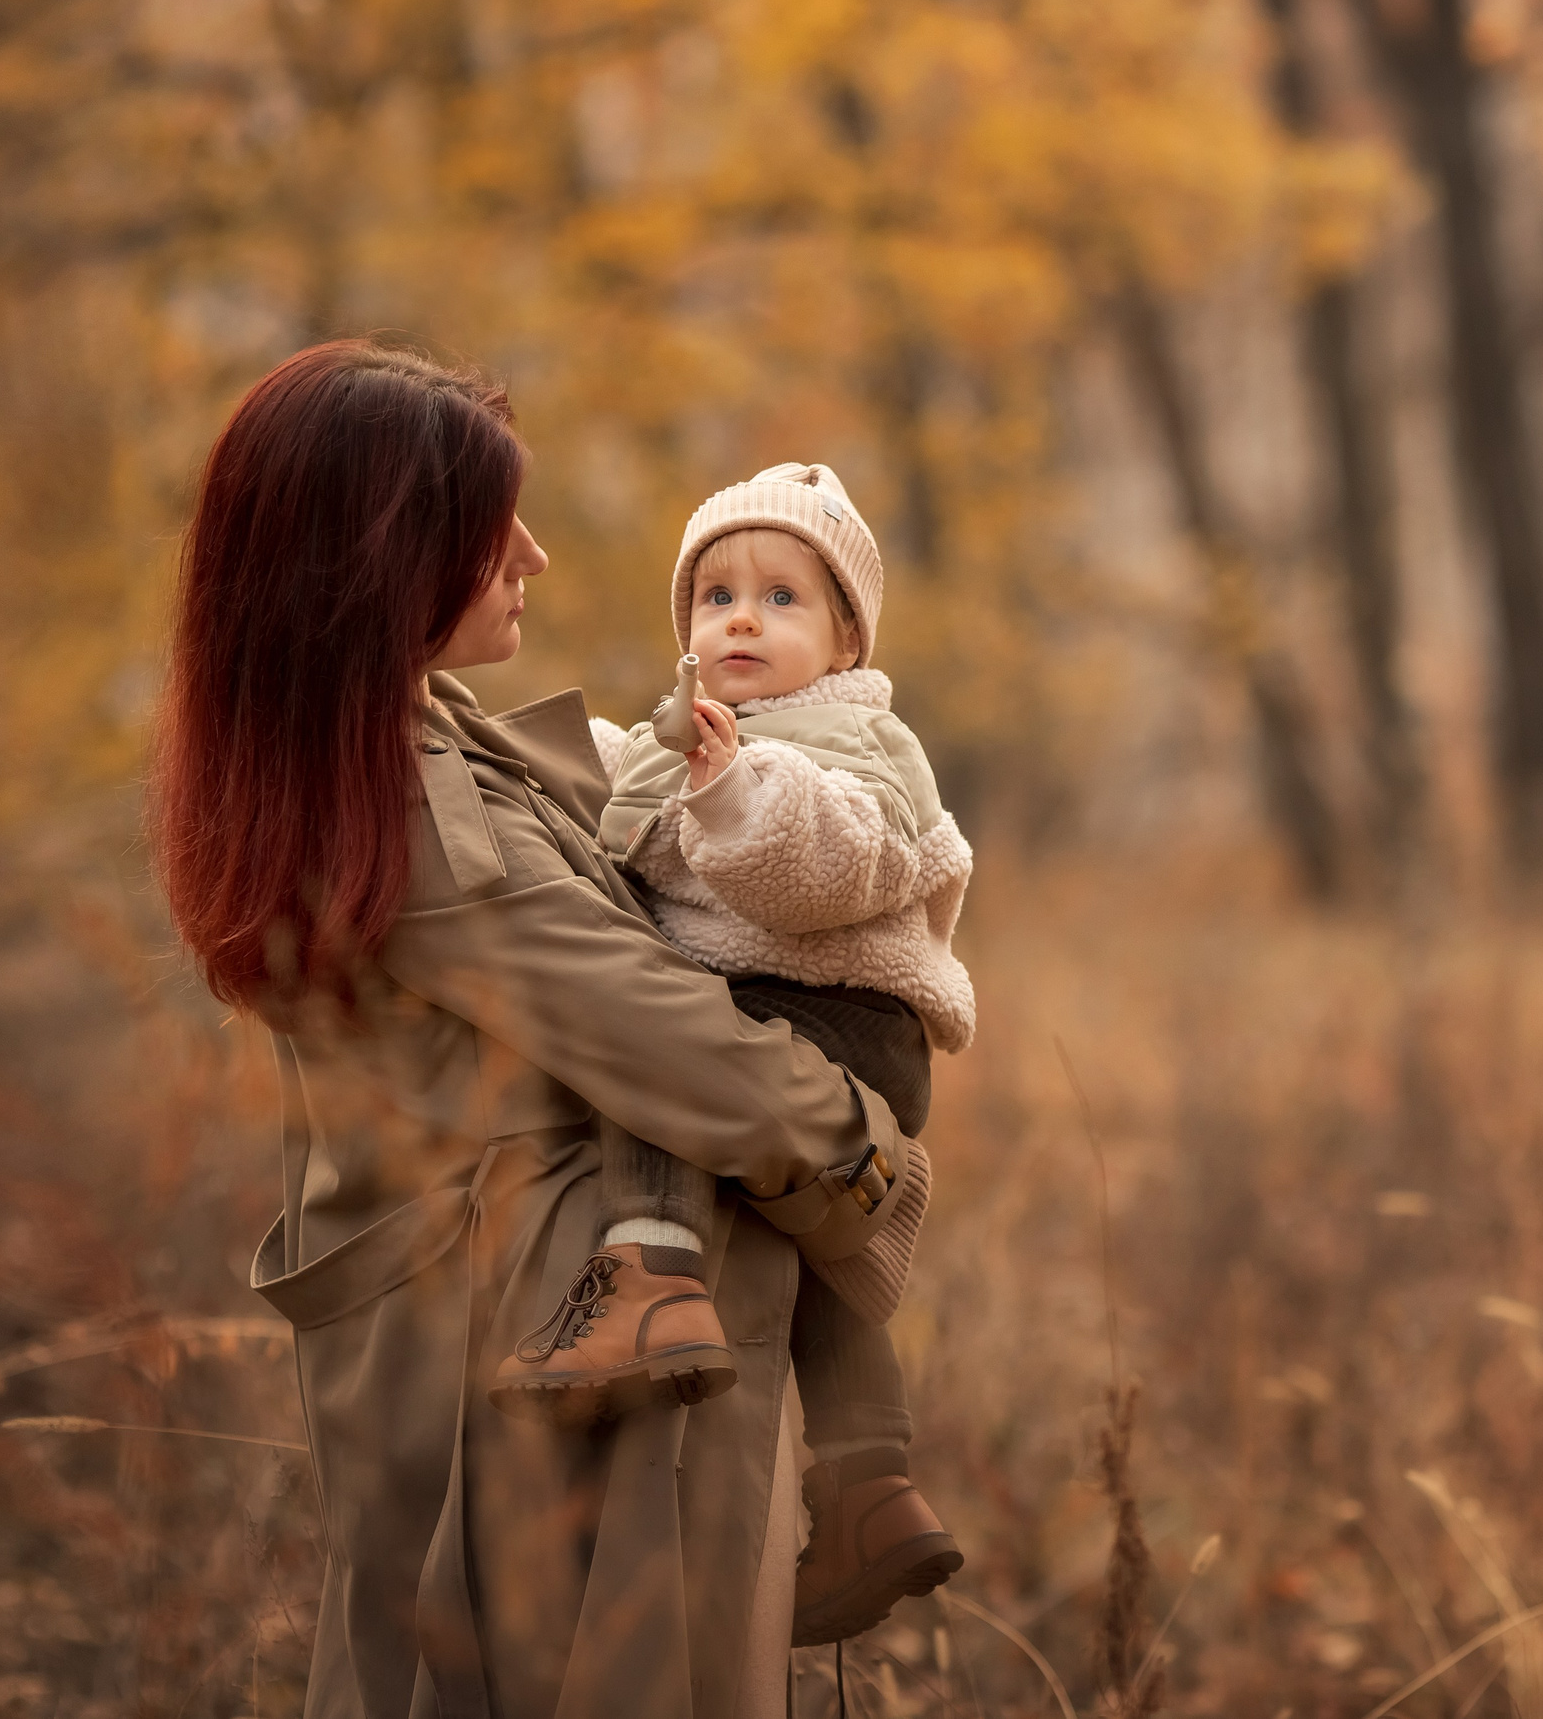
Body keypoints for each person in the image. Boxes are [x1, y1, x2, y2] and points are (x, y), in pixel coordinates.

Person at [148, 339, 919, 1718]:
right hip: (557, 1393)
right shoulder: (400, 814)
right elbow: (664, 1032)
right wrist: (870, 1153)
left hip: (564, 1353)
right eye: (484, 523)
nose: (535, 554)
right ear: (380, 560)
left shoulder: (418, 744)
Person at [488, 462, 975, 1647]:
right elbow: (595, 773)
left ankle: (646, 1275)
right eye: (715, 596)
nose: (741, 618)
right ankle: (870, 1481)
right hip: (799, 1011)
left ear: (847, 637)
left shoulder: (859, 744)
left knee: (662, 1067)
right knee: (820, 1267)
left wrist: (734, 786)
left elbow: (821, 874)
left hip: (838, 1013)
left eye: (781, 597)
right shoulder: (702, 736)